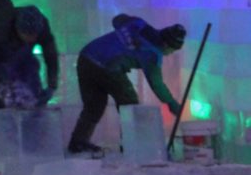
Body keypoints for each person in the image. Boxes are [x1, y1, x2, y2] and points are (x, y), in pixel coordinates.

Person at [67, 14, 186, 156]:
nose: (169, 54)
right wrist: (171, 102)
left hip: (87, 57)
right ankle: (133, 146)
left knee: (94, 105)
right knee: (129, 103)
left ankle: (78, 143)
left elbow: (117, 19)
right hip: (108, 67)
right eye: (172, 50)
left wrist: (128, 36)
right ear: (167, 44)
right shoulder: (152, 53)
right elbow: (156, 83)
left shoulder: (139, 24)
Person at [0, 5, 59, 109]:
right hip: (2, 55)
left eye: (33, 35)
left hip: (25, 57)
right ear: (18, 29)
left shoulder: (43, 27)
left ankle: (33, 106)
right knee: (5, 78)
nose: (30, 38)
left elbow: (51, 56)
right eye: (26, 35)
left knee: (31, 69)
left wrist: (51, 86)